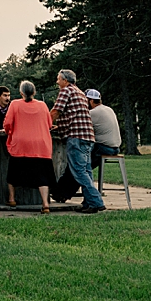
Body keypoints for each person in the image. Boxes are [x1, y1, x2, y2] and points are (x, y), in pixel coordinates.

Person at [51, 69, 105, 212]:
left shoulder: (65, 91)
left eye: (58, 79)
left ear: (65, 80)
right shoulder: (80, 93)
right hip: (88, 136)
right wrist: (60, 126)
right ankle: (88, 203)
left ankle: (96, 201)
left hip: (76, 137)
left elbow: (57, 111)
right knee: (86, 171)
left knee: (79, 171)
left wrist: (44, 124)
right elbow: (73, 115)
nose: (57, 82)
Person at [5, 79, 55, 212]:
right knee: (42, 176)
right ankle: (45, 204)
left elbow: (8, 123)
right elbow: (49, 124)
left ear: (21, 92)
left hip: (21, 144)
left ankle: (12, 198)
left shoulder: (15, 104)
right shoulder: (43, 105)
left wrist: (7, 131)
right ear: (34, 92)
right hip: (41, 145)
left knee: (13, 172)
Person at [87, 88, 123, 175]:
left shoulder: (93, 112)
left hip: (104, 148)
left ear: (91, 101)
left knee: (80, 160)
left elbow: (80, 126)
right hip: (116, 148)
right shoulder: (108, 109)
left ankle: (82, 181)